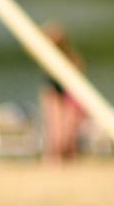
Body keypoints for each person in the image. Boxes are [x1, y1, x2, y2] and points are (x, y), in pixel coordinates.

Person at [39, 21, 86, 163]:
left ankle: (67, 155)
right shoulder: (47, 54)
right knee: (55, 125)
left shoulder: (70, 55)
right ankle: (53, 156)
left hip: (68, 91)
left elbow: (79, 74)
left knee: (68, 125)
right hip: (53, 89)